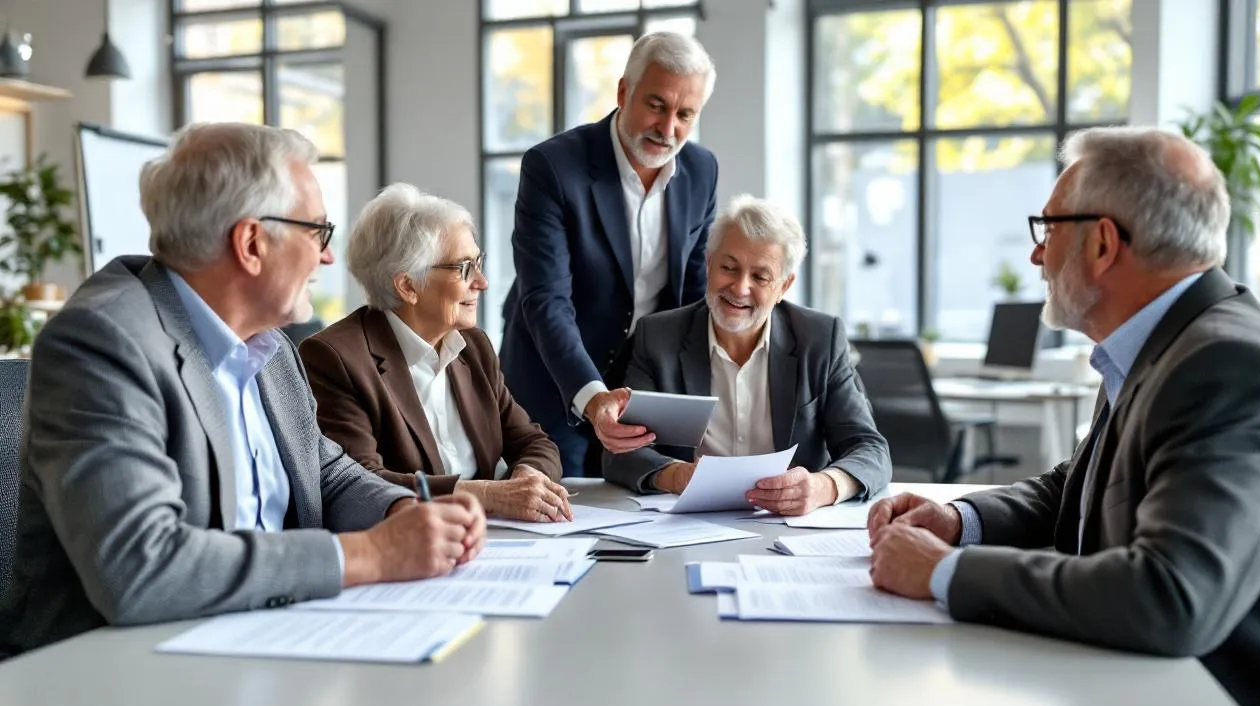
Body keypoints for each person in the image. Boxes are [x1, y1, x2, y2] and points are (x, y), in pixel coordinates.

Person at [867, 126, 1260, 706]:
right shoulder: (1159, 342)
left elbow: (1170, 598)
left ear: (1102, 243)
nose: (1036, 256)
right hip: (1141, 686)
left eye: (1049, 230)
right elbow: (1084, 483)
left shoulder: (1230, 367)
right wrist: (961, 522)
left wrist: (942, 573)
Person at [0, 123, 486, 657]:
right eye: (318, 233)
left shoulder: (269, 344)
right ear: (252, 243)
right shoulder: (103, 341)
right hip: (114, 674)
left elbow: (325, 472)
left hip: (266, 641)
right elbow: (139, 568)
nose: (328, 258)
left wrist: (401, 514)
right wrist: (370, 555)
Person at [499, 30, 720, 477]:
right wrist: (592, 394)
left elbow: (696, 296)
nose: (668, 128)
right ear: (624, 92)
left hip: (641, 390)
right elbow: (546, 300)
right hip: (553, 383)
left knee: (651, 510)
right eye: (656, 105)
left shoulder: (701, 171)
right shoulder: (554, 167)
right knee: (560, 513)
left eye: (685, 114)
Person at [300, 183, 570, 523]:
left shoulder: (474, 347)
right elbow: (361, 483)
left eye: (479, 262)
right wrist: (487, 495)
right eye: (465, 268)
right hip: (408, 548)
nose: (482, 282)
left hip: (495, 540)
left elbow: (534, 441)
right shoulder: (335, 357)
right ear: (408, 286)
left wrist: (528, 478)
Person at [604, 195, 890, 514]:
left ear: (784, 286)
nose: (740, 288)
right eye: (728, 268)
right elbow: (620, 452)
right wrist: (678, 476)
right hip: (688, 522)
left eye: (760, 277)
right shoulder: (659, 337)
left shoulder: (820, 339)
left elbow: (870, 449)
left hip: (786, 524)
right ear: (709, 264)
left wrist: (824, 487)